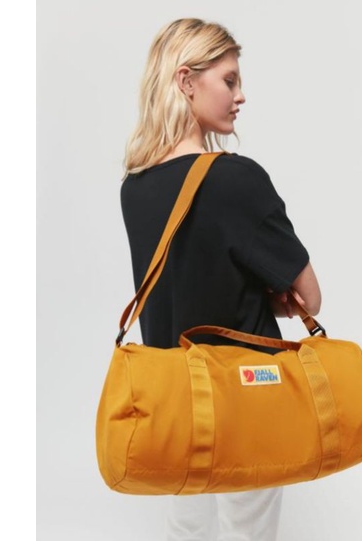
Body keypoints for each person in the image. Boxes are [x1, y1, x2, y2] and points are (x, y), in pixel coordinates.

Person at [119, 17, 322, 541]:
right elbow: (309, 296)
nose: (240, 95)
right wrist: (268, 292)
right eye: (229, 80)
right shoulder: (235, 177)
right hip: (248, 394)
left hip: (174, 402)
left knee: (187, 527)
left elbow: (181, 286)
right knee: (248, 530)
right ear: (186, 81)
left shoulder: (134, 189)